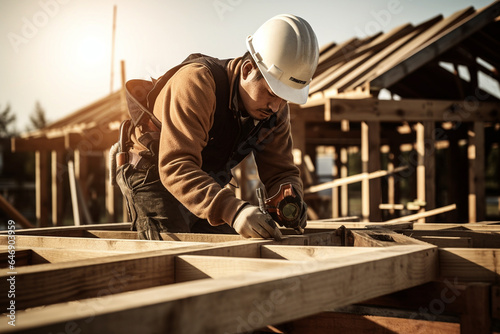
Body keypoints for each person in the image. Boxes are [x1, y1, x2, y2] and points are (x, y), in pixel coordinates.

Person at [113, 14, 319, 240]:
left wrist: (290, 197)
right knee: (176, 257)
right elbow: (175, 165)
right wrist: (234, 210)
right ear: (247, 69)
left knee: (233, 248)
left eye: (285, 97)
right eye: (271, 93)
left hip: (203, 177)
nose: (276, 106)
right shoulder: (197, 83)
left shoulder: (276, 109)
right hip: (153, 173)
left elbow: (281, 172)